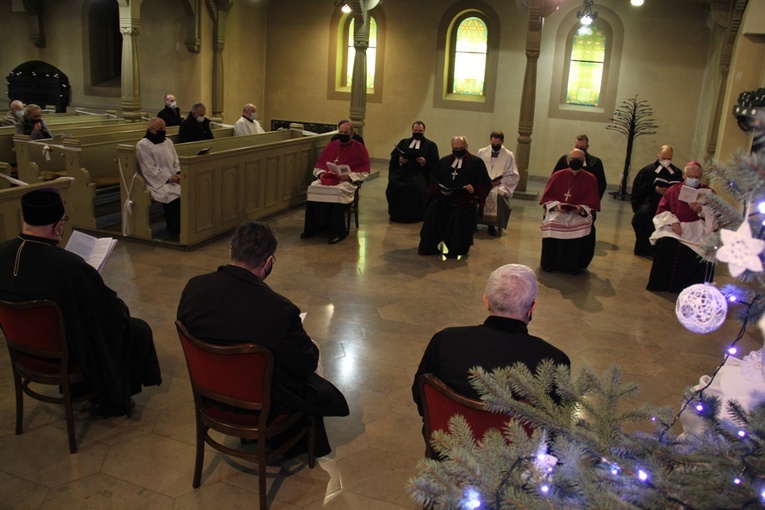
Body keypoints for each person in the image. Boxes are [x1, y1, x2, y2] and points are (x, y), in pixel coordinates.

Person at [177, 221, 349, 457]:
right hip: (260, 403)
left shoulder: (193, 288)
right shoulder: (279, 310)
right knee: (311, 351)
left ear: (231, 250)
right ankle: (296, 440)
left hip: (212, 394)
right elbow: (304, 365)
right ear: (268, 261)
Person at [0, 189, 161, 416]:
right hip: (65, 351)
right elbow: (112, 312)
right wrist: (92, 282)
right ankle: (111, 400)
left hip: (24, 351)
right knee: (134, 329)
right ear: (58, 227)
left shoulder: (2, 253)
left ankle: (80, 390)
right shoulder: (70, 267)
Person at [412, 263, 570, 421]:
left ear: (486, 301)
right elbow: (557, 426)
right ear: (532, 308)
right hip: (520, 445)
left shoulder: (444, 341)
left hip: (450, 441)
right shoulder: (554, 360)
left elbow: (422, 397)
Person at [647, 161, 717, 292]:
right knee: (665, 244)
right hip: (675, 227)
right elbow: (661, 210)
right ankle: (661, 284)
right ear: (684, 175)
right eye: (691, 176)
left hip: (699, 230)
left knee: (707, 250)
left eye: (697, 177)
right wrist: (673, 221)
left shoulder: (708, 193)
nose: (694, 180)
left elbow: (716, 216)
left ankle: (693, 288)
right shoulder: (673, 191)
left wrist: (701, 210)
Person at [418, 136, 491, 258]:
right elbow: (434, 180)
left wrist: (474, 189)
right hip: (444, 198)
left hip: (464, 200)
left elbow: (484, 184)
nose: (458, 150)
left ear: (466, 147)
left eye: (461, 148)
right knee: (432, 211)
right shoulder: (444, 161)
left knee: (460, 215)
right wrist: (441, 190)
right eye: (455, 148)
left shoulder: (476, 163)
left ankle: (454, 249)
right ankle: (429, 247)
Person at [301, 121, 370, 244]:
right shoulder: (332, 145)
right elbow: (320, 164)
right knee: (312, 188)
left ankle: (338, 231)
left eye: (346, 133)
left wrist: (348, 176)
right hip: (329, 178)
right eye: (341, 132)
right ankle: (311, 228)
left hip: (346, 182)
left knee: (337, 193)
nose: (343, 135)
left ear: (352, 134)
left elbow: (364, 171)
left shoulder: (359, 148)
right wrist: (322, 174)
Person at [540, 148, 601, 274]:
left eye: (579, 160)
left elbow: (593, 202)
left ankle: (572, 265)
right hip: (558, 212)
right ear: (567, 160)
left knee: (579, 227)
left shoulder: (590, 178)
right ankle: (549, 263)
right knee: (551, 224)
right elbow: (547, 198)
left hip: (578, 214)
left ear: (583, 161)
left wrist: (580, 208)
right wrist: (557, 206)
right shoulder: (558, 175)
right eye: (573, 159)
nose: (575, 162)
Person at [630, 145, 684, 256]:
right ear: (658, 155)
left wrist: (670, 191)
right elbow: (638, 189)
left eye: (669, 159)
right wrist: (654, 189)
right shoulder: (647, 170)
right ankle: (644, 248)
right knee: (643, 215)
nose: (666, 161)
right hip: (651, 202)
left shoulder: (677, 173)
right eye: (664, 158)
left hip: (670, 206)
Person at [385, 120, 439, 223]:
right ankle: (397, 214)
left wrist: (424, 162)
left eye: (420, 131)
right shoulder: (404, 142)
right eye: (415, 130)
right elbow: (394, 157)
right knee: (393, 185)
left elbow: (435, 162)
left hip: (420, 173)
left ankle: (415, 215)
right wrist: (400, 160)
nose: (417, 132)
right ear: (412, 130)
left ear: (424, 131)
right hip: (403, 172)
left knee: (415, 187)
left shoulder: (430, 145)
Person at [135, 117, 182, 235]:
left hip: (173, 179)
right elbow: (149, 168)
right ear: (151, 129)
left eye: (164, 128)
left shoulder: (168, 142)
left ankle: (184, 227)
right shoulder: (143, 145)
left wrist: (178, 173)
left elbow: (175, 159)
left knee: (187, 193)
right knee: (173, 197)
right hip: (156, 182)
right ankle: (174, 228)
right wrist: (169, 178)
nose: (164, 130)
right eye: (160, 128)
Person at [476, 130, 520, 236]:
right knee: (474, 193)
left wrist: (499, 181)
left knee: (498, 196)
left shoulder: (509, 155)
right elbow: (476, 169)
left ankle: (493, 224)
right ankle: (473, 223)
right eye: (493, 144)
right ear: (490, 140)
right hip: (484, 183)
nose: (495, 146)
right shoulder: (482, 152)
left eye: (498, 144)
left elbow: (513, 174)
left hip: (500, 184)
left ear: (502, 142)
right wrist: (486, 182)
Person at [552, 134, 607, 199]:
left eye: (582, 147)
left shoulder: (595, 162)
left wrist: (594, 202)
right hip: (564, 195)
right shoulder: (564, 159)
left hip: (585, 197)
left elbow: (601, 184)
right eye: (577, 146)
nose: (579, 149)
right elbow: (554, 178)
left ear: (587, 147)